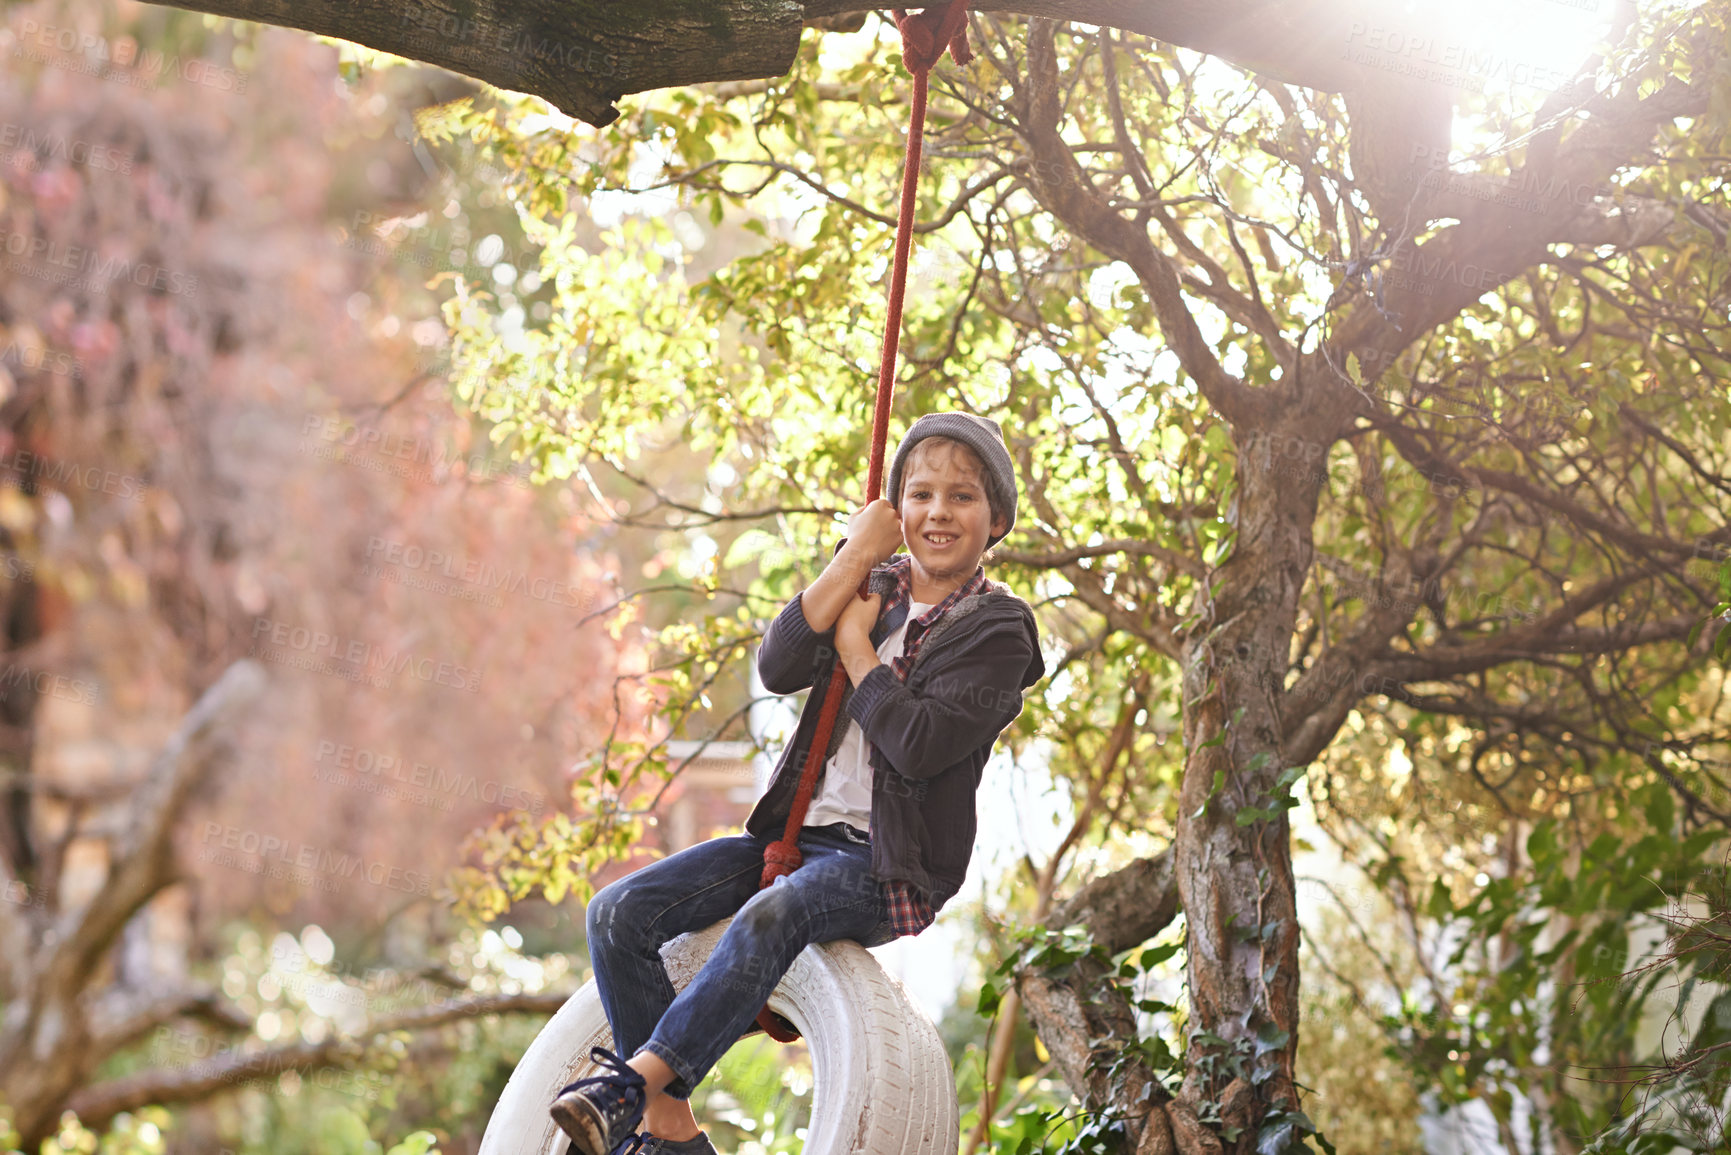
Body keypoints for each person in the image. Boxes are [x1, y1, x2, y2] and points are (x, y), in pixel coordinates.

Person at [550, 412, 1046, 1155]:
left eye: (961, 497)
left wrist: (854, 648)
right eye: (919, 494)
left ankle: (629, 1086)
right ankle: (670, 1128)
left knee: (774, 912)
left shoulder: (998, 631)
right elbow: (777, 666)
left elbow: (914, 745)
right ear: (895, 509)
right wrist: (850, 559)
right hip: (792, 837)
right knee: (618, 912)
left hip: (884, 865)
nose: (937, 512)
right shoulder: (868, 585)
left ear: (996, 517)